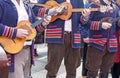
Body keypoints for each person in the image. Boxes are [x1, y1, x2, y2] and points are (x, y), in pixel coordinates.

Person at [32, 0, 84, 78]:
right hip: (55, 35)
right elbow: (35, 9)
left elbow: (82, 20)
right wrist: (49, 11)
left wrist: (85, 17)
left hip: (74, 37)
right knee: (52, 69)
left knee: (72, 70)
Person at [0, 0, 51, 78]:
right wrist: (14, 32)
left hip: (28, 51)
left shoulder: (26, 6)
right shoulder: (2, 3)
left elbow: (33, 29)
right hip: (11, 52)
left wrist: (42, 24)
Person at [80, 0, 120, 78]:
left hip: (111, 45)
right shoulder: (93, 5)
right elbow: (83, 22)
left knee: (106, 70)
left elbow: (116, 26)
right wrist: (100, 25)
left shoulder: (115, 8)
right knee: (92, 71)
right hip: (96, 45)